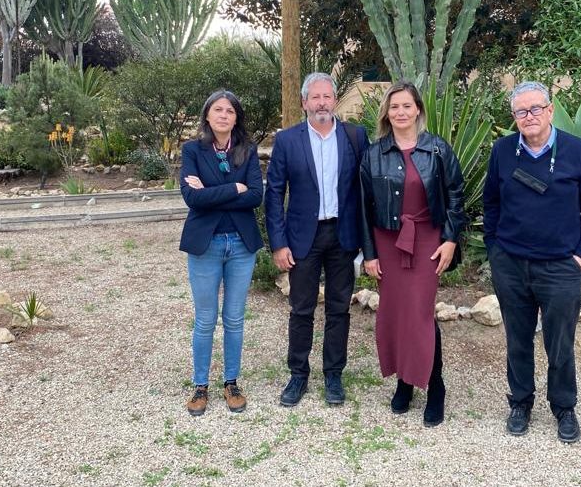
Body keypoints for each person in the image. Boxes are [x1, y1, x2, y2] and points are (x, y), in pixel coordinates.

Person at [483, 81, 581, 443]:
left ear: (550, 110)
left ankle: (564, 407)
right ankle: (520, 402)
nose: (529, 116)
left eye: (536, 108)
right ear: (514, 117)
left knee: (560, 342)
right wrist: (495, 249)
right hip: (512, 265)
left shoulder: (576, 151)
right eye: (521, 111)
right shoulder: (503, 151)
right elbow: (491, 203)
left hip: (560, 268)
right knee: (518, 339)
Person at [360, 81, 465, 427]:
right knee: (395, 313)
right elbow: (362, 206)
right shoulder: (374, 153)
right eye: (394, 107)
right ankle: (405, 383)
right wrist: (370, 254)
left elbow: (455, 195)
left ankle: (435, 386)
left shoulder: (437, 149)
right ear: (386, 114)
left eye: (407, 106)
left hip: (427, 240)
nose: (400, 112)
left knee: (419, 313)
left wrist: (449, 239)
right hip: (388, 242)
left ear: (418, 109)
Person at [265, 73, 369, 407]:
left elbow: (364, 192)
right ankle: (298, 374)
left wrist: (368, 245)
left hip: (343, 234)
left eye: (327, 96)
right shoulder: (287, 140)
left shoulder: (355, 136)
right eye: (316, 97)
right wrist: (278, 243)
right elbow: (275, 193)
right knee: (301, 309)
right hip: (302, 238)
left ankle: (334, 374)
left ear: (334, 100)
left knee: (339, 309)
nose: (322, 103)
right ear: (304, 102)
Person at [179, 90, 264, 417]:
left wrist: (212, 192)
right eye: (218, 109)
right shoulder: (192, 150)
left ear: (236, 117)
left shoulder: (248, 151)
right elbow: (191, 198)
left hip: (241, 245)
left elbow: (255, 195)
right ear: (208, 115)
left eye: (230, 110)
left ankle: (231, 382)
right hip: (206, 244)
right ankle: (200, 385)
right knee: (204, 320)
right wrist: (233, 189)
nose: (224, 115)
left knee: (234, 319)